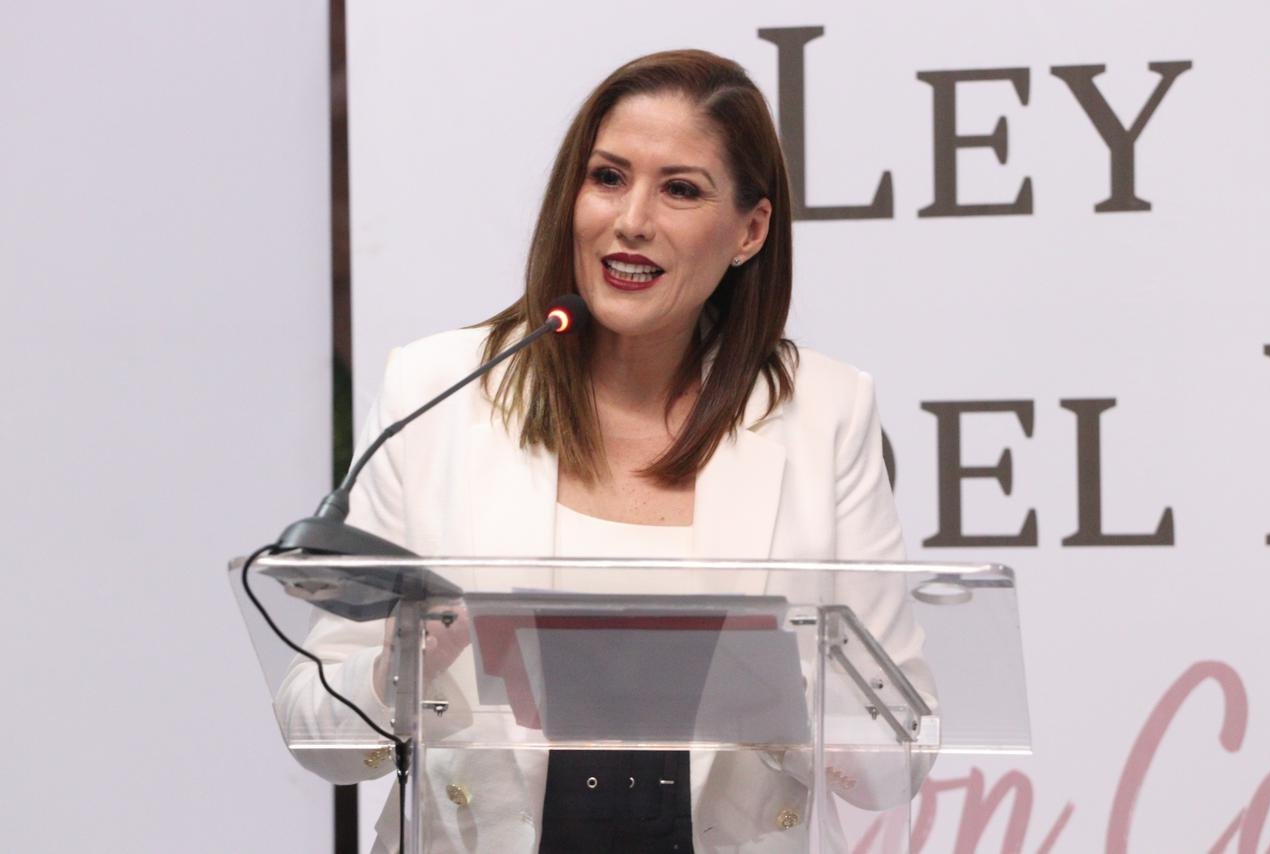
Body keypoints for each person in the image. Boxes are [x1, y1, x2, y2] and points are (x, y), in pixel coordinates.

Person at [275, 49, 933, 853]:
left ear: (750, 230)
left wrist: (768, 700)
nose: (632, 221)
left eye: (681, 189)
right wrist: (394, 676)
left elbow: (898, 752)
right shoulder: (437, 388)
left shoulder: (824, 411)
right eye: (609, 178)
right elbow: (314, 725)